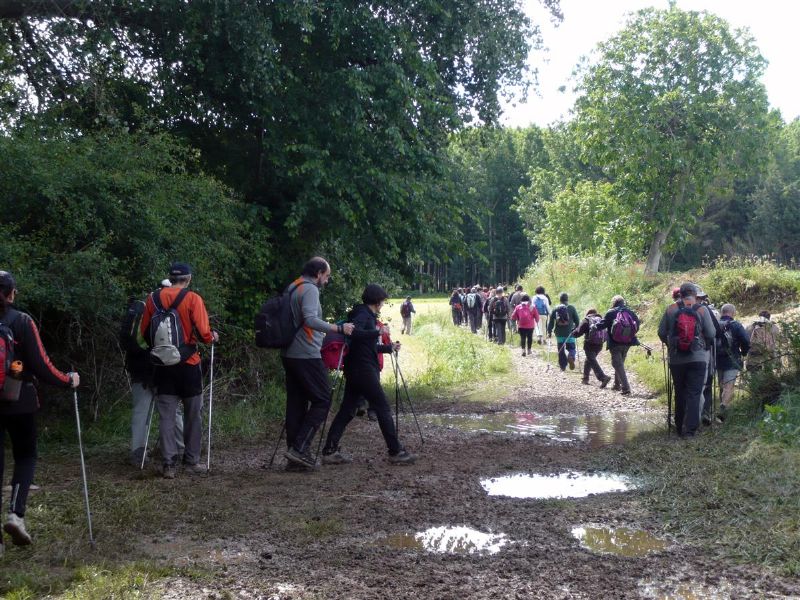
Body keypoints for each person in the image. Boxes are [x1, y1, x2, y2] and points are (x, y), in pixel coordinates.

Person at [0, 271, 80, 550]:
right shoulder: (22, 321)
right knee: (25, 456)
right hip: (18, 401)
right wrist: (67, 379)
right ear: (11, 294)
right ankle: (15, 515)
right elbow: (42, 365)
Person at [322, 285, 416, 465]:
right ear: (377, 300)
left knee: (347, 410)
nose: (383, 304)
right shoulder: (363, 315)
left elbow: (365, 344)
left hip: (356, 368)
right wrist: (377, 331)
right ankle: (396, 452)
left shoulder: (365, 314)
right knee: (382, 407)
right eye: (382, 300)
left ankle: (329, 451)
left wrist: (389, 348)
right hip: (363, 370)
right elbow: (355, 333)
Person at [140, 262, 218, 479]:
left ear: (170, 278)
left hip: (162, 365)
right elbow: (204, 334)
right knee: (193, 413)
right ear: (188, 278)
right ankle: (191, 461)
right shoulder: (193, 299)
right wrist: (213, 337)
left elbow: (144, 331)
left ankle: (168, 464)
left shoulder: (152, 299)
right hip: (188, 364)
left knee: (166, 415)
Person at [278, 257, 355, 470]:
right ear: (319, 273)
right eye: (327, 276)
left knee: (296, 403)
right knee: (323, 399)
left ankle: (295, 460)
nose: (327, 281)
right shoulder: (310, 289)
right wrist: (338, 329)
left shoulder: (293, 286)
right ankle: (300, 449)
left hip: (289, 352)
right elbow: (310, 319)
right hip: (306, 353)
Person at [122, 280, 184, 467]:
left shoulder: (140, 308)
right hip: (159, 368)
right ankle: (182, 448)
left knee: (141, 412)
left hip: (138, 369)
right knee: (172, 410)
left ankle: (138, 452)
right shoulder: (160, 312)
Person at [658, 283, 716, 438]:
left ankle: (678, 427)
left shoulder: (671, 309)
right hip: (698, 358)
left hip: (677, 359)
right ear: (695, 294)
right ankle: (689, 430)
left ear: (680, 294)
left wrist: (671, 344)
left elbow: (661, 331)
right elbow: (711, 333)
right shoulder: (702, 310)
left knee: (680, 392)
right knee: (694, 393)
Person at [599, 295, 640, 396]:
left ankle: (626, 388)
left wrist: (593, 327)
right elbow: (637, 325)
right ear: (623, 302)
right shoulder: (630, 312)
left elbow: (602, 325)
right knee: (620, 363)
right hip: (628, 342)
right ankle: (617, 384)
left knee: (617, 363)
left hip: (615, 343)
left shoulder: (611, 312)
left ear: (614, 303)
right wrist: (628, 335)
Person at [715, 303, 749, 421]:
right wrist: (744, 353)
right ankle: (724, 407)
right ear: (733, 313)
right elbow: (746, 341)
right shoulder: (737, 325)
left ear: (722, 312)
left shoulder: (715, 325)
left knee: (721, 385)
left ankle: (722, 410)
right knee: (729, 385)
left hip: (717, 360)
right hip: (733, 360)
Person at [571, 308, 612, 387]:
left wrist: (573, 332)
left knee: (592, 360)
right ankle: (585, 378)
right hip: (600, 344)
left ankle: (603, 377)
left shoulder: (586, 320)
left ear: (588, 314)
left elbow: (578, 333)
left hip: (589, 344)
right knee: (589, 359)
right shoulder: (601, 319)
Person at [547, 292, 580, 371]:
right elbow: (577, 321)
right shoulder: (571, 308)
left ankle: (563, 366)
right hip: (569, 333)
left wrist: (549, 331)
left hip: (559, 334)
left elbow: (551, 322)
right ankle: (571, 356)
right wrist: (575, 329)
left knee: (561, 350)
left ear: (560, 300)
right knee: (571, 348)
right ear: (567, 299)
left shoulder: (555, 309)